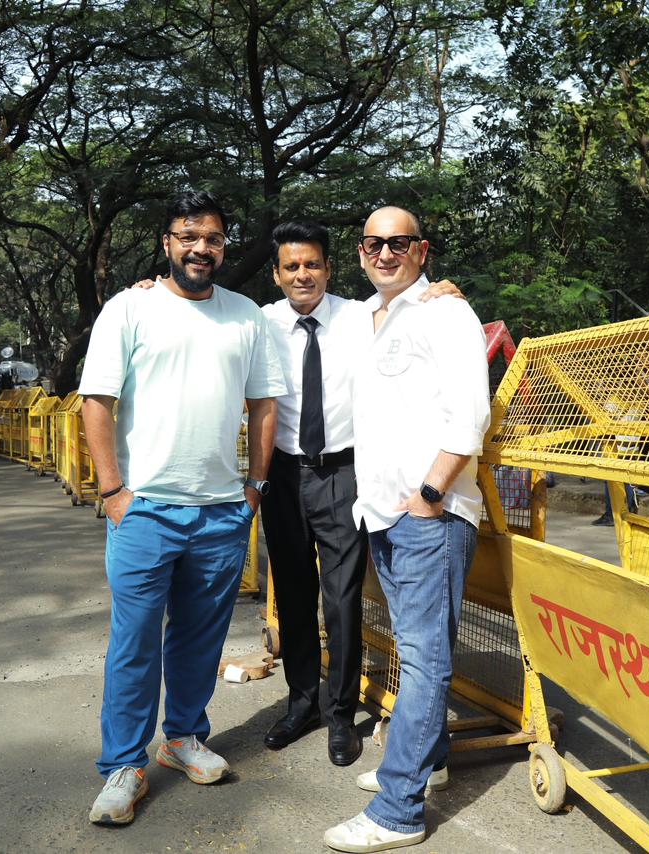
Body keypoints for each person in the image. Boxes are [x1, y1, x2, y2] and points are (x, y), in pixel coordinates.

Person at [80, 191, 285, 827]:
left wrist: (254, 487)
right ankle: (122, 765)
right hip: (144, 510)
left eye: (214, 238)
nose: (202, 248)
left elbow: (264, 406)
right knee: (134, 642)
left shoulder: (247, 315)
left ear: (226, 246)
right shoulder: (130, 307)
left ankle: (184, 737)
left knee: (200, 638)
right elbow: (96, 400)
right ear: (167, 243)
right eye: (188, 236)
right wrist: (114, 492)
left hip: (222, 511)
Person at [257, 220, 464, 768]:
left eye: (313, 265)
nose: (304, 275)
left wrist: (439, 288)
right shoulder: (260, 324)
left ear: (329, 267)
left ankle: (340, 714)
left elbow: (413, 312)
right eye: (292, 266)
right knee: (294, 596)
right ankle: (301, 702)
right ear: (277, 274)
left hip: (343, 474)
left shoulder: (361, 315)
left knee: (343, 598)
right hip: (283, 475)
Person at [324, 206, 490, 854]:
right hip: (386, 515)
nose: (385, 252)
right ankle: (432, 760)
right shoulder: (372, 319)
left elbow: (469, 412)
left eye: (399, 243)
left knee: (423, 660)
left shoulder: (445, 313)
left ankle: (399, 811)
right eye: (373, 243)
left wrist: (430, 492)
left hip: (428, 515)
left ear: (422, 250)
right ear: (361, 252)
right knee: (420, 650)